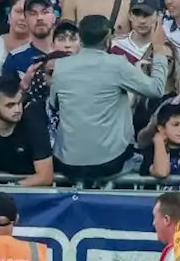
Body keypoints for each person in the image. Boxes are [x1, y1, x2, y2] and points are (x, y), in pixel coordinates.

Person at [51, 14, 170, 185]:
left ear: (80, 38)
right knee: (143, 159)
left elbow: (53, 104)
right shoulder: (117, 64)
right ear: (108, 38)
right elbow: (156, 89)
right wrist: (158, 50)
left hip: (67, 163)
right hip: (110, 163)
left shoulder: (61, 66)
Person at [0, 75, 54, 186]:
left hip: (30, 190)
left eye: (19, 103)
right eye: (10, 105)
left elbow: (45, 176)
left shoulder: (34, 125)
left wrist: (11, 189)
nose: (17, 109)